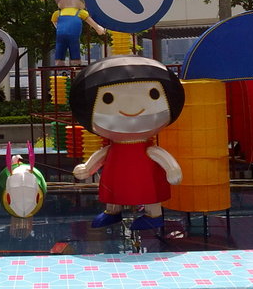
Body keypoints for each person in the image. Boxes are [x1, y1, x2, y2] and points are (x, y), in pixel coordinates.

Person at [69, 55, 185, 229]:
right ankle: (112, 211)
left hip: (145, 173)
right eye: (107, 98)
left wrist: (172, 169)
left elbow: (159, 154)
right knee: (114, 189)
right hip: (116, 168)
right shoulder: (113, 149)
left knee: (149, 191)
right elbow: (102, 155)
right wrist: (87, 167)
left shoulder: (148, 148)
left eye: (153, 94)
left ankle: (154, 214)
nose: (132, 106)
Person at [50, 0, 105, 66]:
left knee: (64, 48)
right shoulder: (65, 13)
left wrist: (58, 28)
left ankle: (65, 63)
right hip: (68, 36)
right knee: (68, 48)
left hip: (62, 36)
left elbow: (54, 21)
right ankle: (70, 64)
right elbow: (54, 21)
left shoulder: (62, 13)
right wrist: (98, 28)